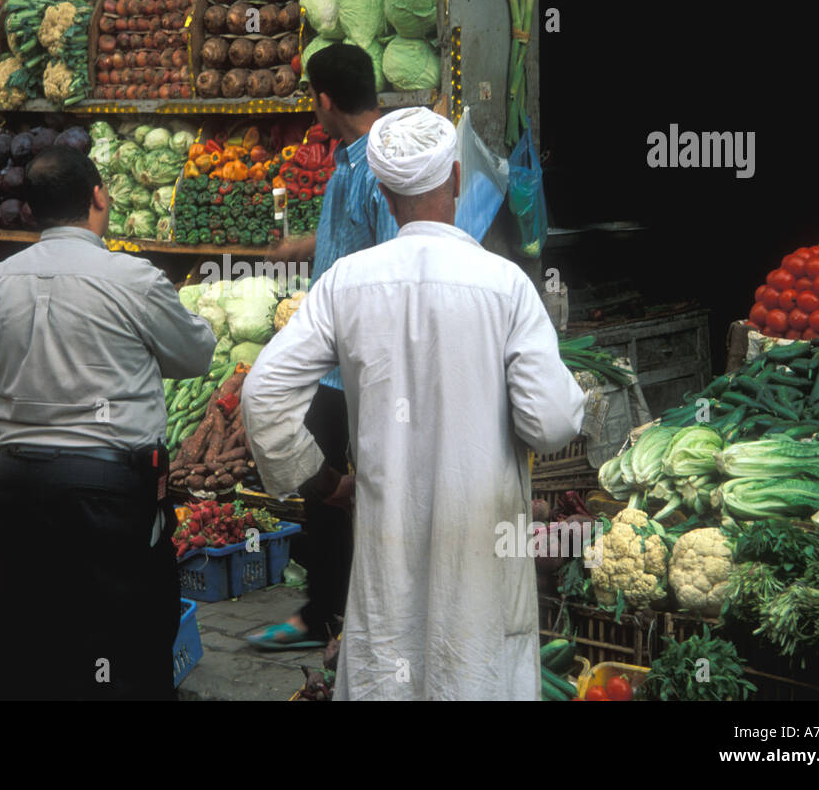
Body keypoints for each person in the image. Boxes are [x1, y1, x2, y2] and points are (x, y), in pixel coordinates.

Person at [242, 107, 585, 700]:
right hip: (482, 550)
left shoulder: (344, 283)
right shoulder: (506, 287)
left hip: (386, 556)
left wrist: (322, 482)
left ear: (382, 190)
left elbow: (263, 394)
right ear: (455, 177)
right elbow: (552, 422)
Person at [0, 145, 216, 701]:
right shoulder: (133, 278)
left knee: (25, 635)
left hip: (13, 488)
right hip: (107, 489)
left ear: (32, 211)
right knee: (120, 641)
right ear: (98, 199)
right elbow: (196, 357)